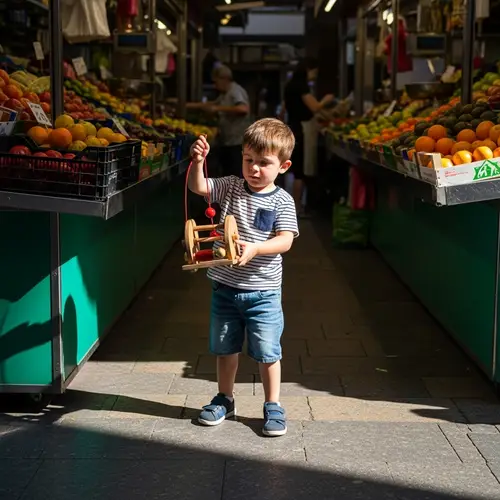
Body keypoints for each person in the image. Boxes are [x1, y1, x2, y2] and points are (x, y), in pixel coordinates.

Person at [188, 118, 299, 437]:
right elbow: (200, 187)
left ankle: (273, 404)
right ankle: (225, 397)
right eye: (248, 160)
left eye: (264, 163)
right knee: (225, 348)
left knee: (268, 352)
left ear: (283, 166)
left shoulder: (282, 200)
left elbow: (286, 240)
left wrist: (257, 249)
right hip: (225, 287)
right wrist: (198, 162)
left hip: (263, 293)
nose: (254, 168)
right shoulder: (232, 186)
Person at [281, 58, 334, 216]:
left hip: (293, 127)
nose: (314, 76)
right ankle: (296, 208)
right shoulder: (301, 86)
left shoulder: (290, 86)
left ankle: (295, 206)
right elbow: (314, 107)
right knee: (300, 171)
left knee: (297, 169)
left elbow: (285, 110)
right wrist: (327, 99)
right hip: (301, 129)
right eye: (314, 72)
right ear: (307, 70)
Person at [188, 64, 250, 177]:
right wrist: (186, 105)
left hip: (236, 142)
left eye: (216, 82)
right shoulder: (225, 94)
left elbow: (243, 108)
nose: (215, 86)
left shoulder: (235, 91)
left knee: (235, 175)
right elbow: (211, 104)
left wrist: (217, 109)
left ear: (224, 79)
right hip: (228, 141)